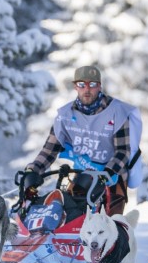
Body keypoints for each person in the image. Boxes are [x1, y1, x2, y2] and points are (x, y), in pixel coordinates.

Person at [23, 65, 136, 217]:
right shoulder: (65, 115)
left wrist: (106, 174)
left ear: (99, 86)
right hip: (82, 174)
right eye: (82, 85)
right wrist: (33, 170)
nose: (87, 90)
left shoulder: (117, 113)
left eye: (92, 84)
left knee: (110, 227)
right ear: (76, 86)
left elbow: (123, 151)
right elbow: (50, 149)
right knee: (71, 218)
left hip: (112, 178)